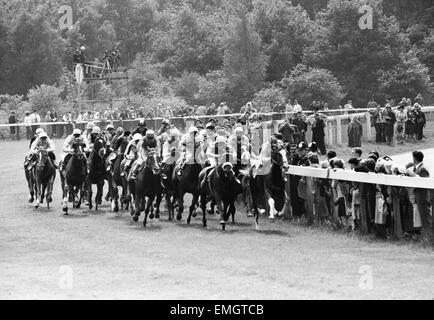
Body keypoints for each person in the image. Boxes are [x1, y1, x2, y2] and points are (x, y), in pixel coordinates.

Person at [406, 151, 432, 244]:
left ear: (414, 158)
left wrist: (411, 173)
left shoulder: (423, 168)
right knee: (420, 219)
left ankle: (428, 238)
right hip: (418, 197)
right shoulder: (417, 168)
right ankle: (423, 237)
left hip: (423, 197)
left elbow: (423, 182)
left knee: (425, 218)